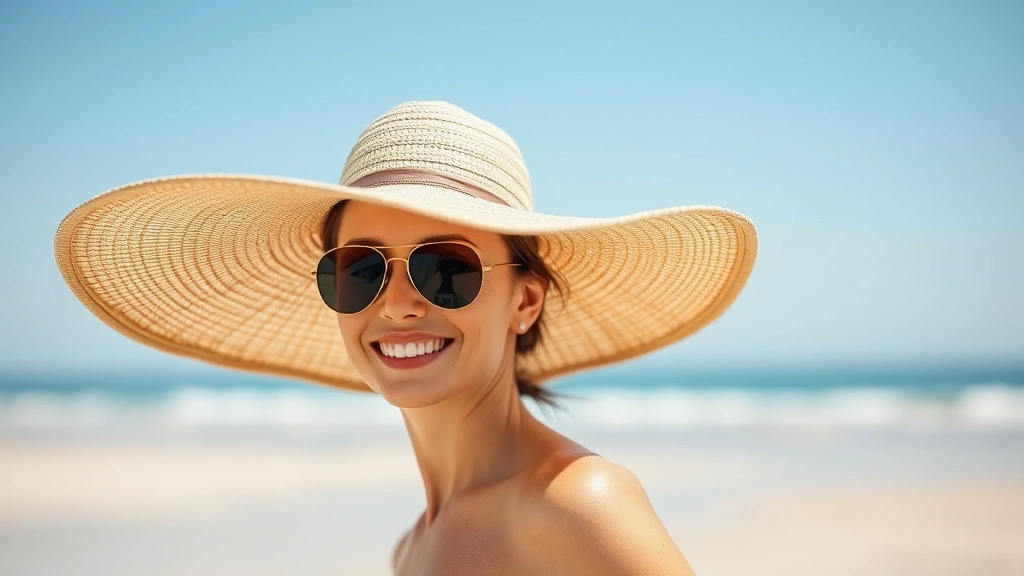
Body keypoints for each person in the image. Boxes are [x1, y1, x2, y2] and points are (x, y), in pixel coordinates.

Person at [54, 101, 758, 575]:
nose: (396, 303)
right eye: (359, 269)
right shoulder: (410, 548)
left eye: (446, 267)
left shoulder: (577, 502)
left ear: (526, 300)